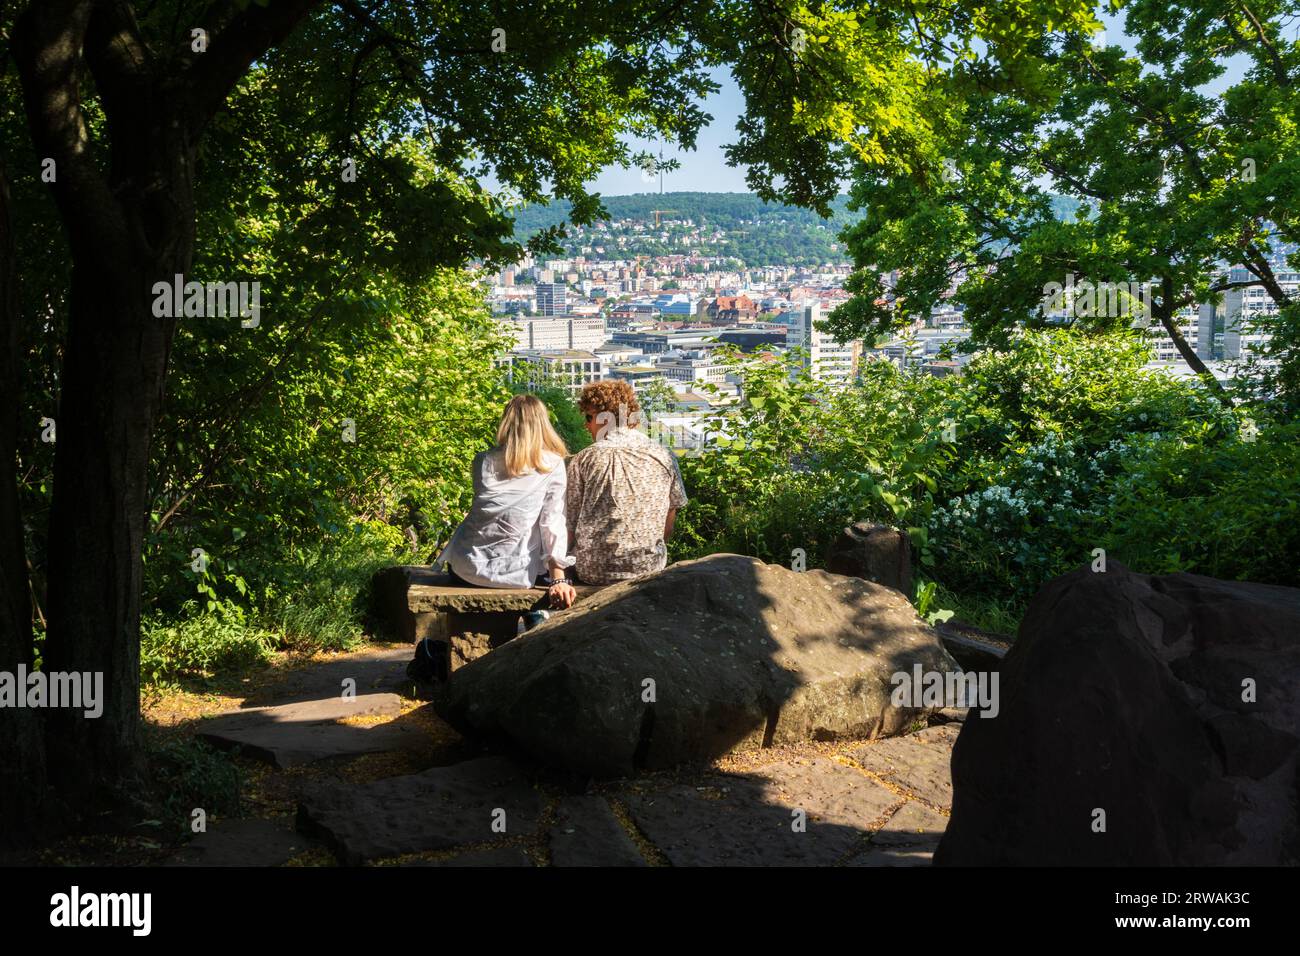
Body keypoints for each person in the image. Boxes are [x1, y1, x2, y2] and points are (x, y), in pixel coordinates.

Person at [409, 394, 577, 684]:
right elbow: (551, 523)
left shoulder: (483, 461)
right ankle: (535, 622)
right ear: (543, 425)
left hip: (467, 567)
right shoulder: (552, 465)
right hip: (513, 574)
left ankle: (529, 619)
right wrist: (558, 577)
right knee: (535, 530)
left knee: (522, 527)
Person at [565, 380, 687, 584]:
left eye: (589, 417)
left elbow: (569, 522)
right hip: (648, 568)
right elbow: (670, 516)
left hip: (594, 571)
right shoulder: (663, 455)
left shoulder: (584, 459)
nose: (586, 425)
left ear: (606, 418)